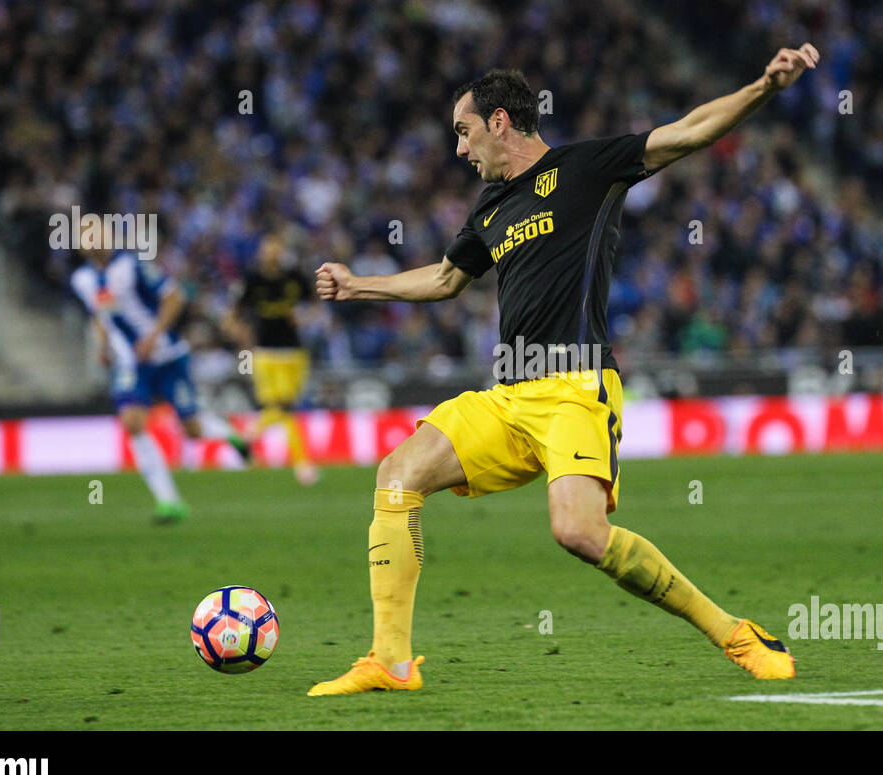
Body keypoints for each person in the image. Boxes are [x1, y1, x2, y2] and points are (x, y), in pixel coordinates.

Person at [309, 44, 820, 695]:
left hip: (577, 387)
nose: (460, 151)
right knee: (396, 474)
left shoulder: (587, 168)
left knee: (578, 530)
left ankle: (735, 632)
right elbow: (444, 280)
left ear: (500, 120)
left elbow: (688, 132)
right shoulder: (489, 210)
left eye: (463, 132)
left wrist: (763, 87)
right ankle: (390, 660)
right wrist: (359, 286)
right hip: (508, 396)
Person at [71, 247, 250, 523]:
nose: (95, 239)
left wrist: (154, 336)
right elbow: (100, 315)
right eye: (86, 234)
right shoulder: (82, 279)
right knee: (132, 422)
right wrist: (103, 345)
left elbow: (175, 296)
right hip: (131, 363)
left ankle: (229, 433)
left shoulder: (133, 264)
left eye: (99, 231)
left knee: (192, 429)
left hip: (167, 357)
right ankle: (169, 502)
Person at [226, 234, 319, 485]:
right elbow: (234, 313)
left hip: (293, 352)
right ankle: (302, 464)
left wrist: (306, 317)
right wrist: (238, 334)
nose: (272, 254)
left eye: (276, 249)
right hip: (265, 352)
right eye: (268, 249)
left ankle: (246, 436)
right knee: (285, 409)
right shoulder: (252, 280)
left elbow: (315, 304)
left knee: (281, 409)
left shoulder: (295, 278)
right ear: (261, 253)